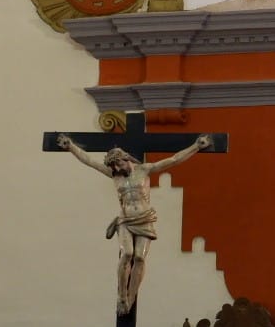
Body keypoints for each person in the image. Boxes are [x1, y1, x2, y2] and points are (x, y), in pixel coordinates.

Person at [54, 132, 211, 314]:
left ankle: (130, 297)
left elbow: (174, 160)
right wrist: (71, 147)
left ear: (125, 158)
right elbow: (90, 161)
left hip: (144, 218)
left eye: (118, 163)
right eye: (113, 166)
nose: (117, 168)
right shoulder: (115, 175)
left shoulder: (144, 169)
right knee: (127, 253)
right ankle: (121, 295)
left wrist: (196, 146)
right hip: (125, 219)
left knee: (140, 257)